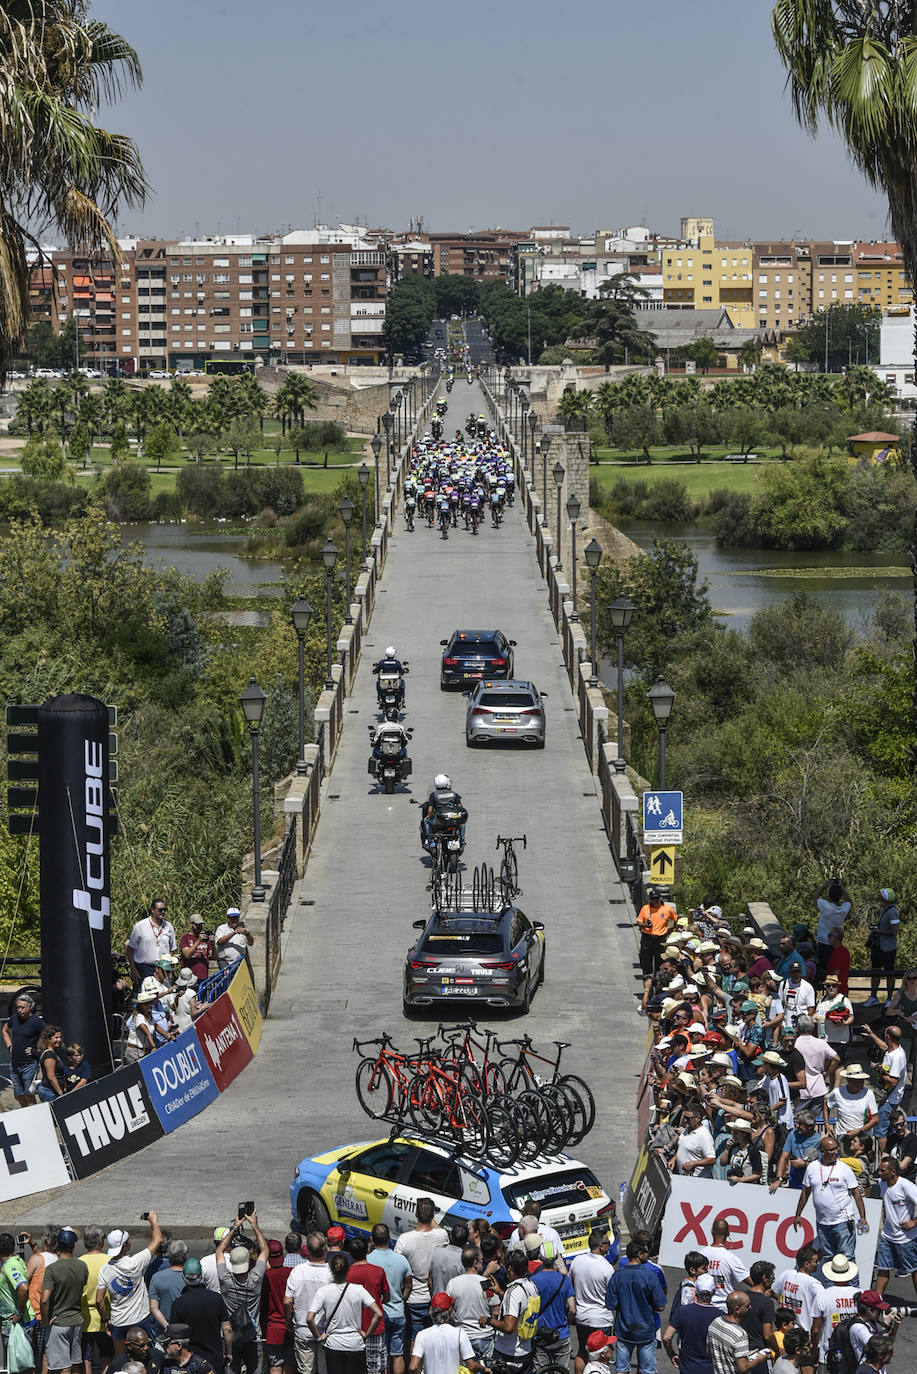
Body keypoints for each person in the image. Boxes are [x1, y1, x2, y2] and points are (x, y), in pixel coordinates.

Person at [793, 1134, 867, 1268]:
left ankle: (852, 1288)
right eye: (831, 1150)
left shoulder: (844, 1168)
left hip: (843, 1222)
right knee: (828, 1259)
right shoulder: (812, 1168)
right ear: (822, 1151)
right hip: (822, 1223)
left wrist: (863, 1217)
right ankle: (830, 1288)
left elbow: (856, 1194)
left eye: (836, 1148)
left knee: (847, 1259)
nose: (835, 1152)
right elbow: (805, 1192)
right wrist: (798, 1214)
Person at [307, 1252, 383, 1374]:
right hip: (355, 1344)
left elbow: (310, 1318)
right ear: (348, 1269)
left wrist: (319, 1337)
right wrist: (366, 1334)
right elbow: (378, 1314)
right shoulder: (358, 1290)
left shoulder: (324, 1291)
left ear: (331, 1269)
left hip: (333, 1345)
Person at [97, 1216, 163, 1353]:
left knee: (121, 1359)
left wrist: (105, 1319)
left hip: (118, 1322)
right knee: (144, 1356)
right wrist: (153, 1221)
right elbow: (158, 1240)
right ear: (125, 1246)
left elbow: (99, 1300)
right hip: (140, 1319)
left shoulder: (104, 1270)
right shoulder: (135, 1262)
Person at [216, 1213, 268, 1374]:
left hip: (231, 1336)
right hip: (253, 1336)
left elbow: (219, 1251)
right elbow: (264, 1249)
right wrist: (255, 1226)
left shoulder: (225, 1280)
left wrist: (234, 1228)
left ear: (231, 1262)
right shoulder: (256, 1278)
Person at [605, 1240, 666, 1374]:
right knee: (647, 1370)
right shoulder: (649, 1276)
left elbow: (610, 1304)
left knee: (621, 1369)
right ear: (639, 1254)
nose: (648, 1256)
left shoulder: (617, 1275)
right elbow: (661, 1306)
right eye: (646, 1253)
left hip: (623, 1330)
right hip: (646, 1331)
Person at [394, 1199, 448, 1348]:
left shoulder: (404, 1239)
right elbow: (439, 1230)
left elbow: (398, 1268)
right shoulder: (442, 1235)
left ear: (416, 1214)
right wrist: (430, 1217)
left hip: (413, 1299)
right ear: (432, 1216)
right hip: (435, 1297)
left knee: (415, 1338)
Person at [170, 1260, 232, 1374]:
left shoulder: (178, 1304)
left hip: (191, 1361)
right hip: (215, 1359)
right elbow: (227, 1329)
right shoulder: (216, 1298)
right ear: (201, 1276)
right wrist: (229, 1352)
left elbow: (175, 1335)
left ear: (183, 1276)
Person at [42, 1230, 89, 1374]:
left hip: (59, 1323)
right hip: (76, 1321)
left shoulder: (51, 1269)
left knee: (64, 1366)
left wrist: (45, 1321)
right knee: (76, 1363)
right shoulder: (82, 1266)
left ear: (58, 1246)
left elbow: (44, 1300)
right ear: (74, 1245)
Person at [284, 1232, 331, 1374]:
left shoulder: (297, 1271)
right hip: (326, 1331)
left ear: (308, 1250)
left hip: (302, 1329)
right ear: (325, 1249)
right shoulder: (331, 1273)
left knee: (306, 1371)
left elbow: (287, 1301)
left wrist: (288, 1320)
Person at [366, 1225, 411, 1374]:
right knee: (397, 1354)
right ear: (389, 1238)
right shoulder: (402, 1260)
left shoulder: (368, 1259)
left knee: (382, 1355)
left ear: (372, 1239)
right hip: (398, 1312)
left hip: (378, 1316)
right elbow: (409, 1285)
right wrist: (401, 1300)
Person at [569, 1231, 615, 1374]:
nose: (609, 1246)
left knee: (582, 1351)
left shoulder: (577, 1261)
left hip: (582, 1317)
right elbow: (612, 1294)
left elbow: (571, 1283)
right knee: (600, 1356)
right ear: (601, 1246)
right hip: (601, 1319)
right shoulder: (607, 1268)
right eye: (608, 1244)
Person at [874, 1154, 917, 1297]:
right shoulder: (882, 1183)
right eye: (879, 1170)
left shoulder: (906, 1186)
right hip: (887, 1236)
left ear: (893, 1172)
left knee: (914, 1270)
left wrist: (914, 1222)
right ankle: (876, 1303)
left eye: (882, 1170)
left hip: (907, 1239)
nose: (879, 1173)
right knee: (882, 1269)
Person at [488, 1249, 538, 1371]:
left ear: (510, 1268)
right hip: (525, 1349)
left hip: (509, 1352)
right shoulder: (531, 1286)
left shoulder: (513, 1292)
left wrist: (489, 1320)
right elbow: (521, 1305)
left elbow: (509, 1327)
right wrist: (500, 1292)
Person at [860, 1023, 908, 1150]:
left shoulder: (897, 1057)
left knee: (880, 1132)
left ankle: (884, 1158)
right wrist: (871, 1034)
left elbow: (893, 1082)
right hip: (887, 1098)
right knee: (886, 1129)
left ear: (888, 1036)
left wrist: (877, 1068)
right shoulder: (893, 1050)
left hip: (888, 1100)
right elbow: (884, 1047)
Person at [445, 1247, 494, 1368]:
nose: (483, 1263)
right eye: (481, 1260)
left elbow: (448, 1311)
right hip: (485, 1336)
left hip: (462, 1336)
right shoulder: (485, 1283)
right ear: (476, 1263)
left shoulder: (453, 1283)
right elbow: (495, 1310)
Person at [408, 1292, 480, 1374]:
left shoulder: (422, 1335)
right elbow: (471, 1365)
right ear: (450, 1312)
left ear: (431, 1312)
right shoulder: (460, 1333)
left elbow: (413, 1367)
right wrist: (484, 1369)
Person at [529, 1242, 574, 1373]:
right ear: (555, 1258)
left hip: (540, 1334)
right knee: (563, 1370)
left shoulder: (533, 1280)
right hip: (561, 1333)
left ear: (539, 1257)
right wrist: (567, 1322)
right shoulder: (564, 1280)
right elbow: (572, 1309)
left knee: (540, 1370)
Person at [346, 1236, 389, 1374]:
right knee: (376, 1368)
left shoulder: (345, 1274)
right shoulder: (378, 1271)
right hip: (374, 1327)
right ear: (367, 1251)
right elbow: (387, 1297)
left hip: (351, 1328)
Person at [662, 1272, 717, 1374]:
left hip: (687, 1367)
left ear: (695, 1291)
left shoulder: (683, 1311)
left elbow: (666, 1337)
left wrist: (672, 1354)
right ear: (714, 1291)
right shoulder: (720, 1316)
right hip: (711, 1368)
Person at [705, 1292, 769, 1374]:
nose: (750, 1307)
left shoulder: (715, 1322)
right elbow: (743, 1368)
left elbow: (709, 1351)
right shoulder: (740, 1334)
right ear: (737, 1309)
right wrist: (759, 1358)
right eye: (747, 1306)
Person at [2, 993, 45, 1105]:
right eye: (18, 1007)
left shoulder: (36, 1021)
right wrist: (9, 1045)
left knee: (29, 1093)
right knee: (18, 1094)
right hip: (15, 1063)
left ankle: (33, 1115)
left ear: (29, 1007)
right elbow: (5, 1030)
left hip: (29, 1064)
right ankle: (26, 1111)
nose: (19, 1010)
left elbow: (47, 1036)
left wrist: (36, 1051)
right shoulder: (14, 1018)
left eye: (22, 1007)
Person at [792, 1015, 839, 1118]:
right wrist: (826, 1072)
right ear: (812, 1027)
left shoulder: (795, 1044)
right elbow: (836, 1059)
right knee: (817, 1122)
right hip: (818, 1087)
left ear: (798, 1027)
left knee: (798, 1121)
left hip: (801, 1090)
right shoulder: (821, 1043)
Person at [774, 1247, 825, 1339]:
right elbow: (825, 1305)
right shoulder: (814, 1284)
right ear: (806, 1264)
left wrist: (783, 1300)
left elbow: (772, 1291)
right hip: (804, 1338)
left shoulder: (786, 1274)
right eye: (816, 1261)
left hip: (785, 1334)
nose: (818, 1263)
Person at [818, 1255, 859, 1367]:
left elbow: (816, 1330)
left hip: (828, 1353)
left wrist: (813, 1351)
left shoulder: (823, 1296)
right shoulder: (861, 1294)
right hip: (854, 1353)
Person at [79, 1226, 110, 1374]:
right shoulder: (109, 1261)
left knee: (86, 1358)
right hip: (107, 1316)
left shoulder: (79, 1262)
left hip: (85, 1317)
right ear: (100, 1242)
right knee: (106, 1356)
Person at [0, 1232, 32, 1374]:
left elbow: (23, 1288)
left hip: (16, 1324)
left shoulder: (9, 1266)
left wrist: (19, 1312)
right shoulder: (17, 1260)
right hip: (17, 1322)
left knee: (19, 1365)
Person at [699, 1222, 749, 1312]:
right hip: (723, 1308)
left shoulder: (701, 1254)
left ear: (712, 1231)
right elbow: (750, 1281)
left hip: (702, 1305)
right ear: (728, 1233)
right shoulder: (731, 1258)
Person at [261, 1241, 294, 1374]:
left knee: (275, 1364)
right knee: (290, 1362)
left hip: (272, 1328)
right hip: (290, 1326)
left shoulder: (265, 1276)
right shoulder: (291, 1273)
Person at [125, 900, 176, 985]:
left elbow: (171, 950)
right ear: (152, 909)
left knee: (164, 995)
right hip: (144, 969)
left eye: (164, 909)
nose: (163, 912)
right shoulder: (140, 926)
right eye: (160, 910)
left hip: (163, 968)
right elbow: (130, 949)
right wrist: (133, 969)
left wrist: (170, 971)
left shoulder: (168, 927)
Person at [770, 1109, 819, 1192]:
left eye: (800, 1124)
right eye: (796, 1123)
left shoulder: (819, 1140)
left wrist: (804, 1164)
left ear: (809, 1126)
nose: (797, 1126)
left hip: (812, 1179)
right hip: (795, 1178)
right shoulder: (793, 1134)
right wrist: (779, 1178)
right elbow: (783, 1157)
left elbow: (821, 1165)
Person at [637, 889, 678, 987]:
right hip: (647, 938)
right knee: (646, 961)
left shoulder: (667, 909)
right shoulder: (645, 908)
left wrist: (672, 932)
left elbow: (675, 920)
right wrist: (644, 924)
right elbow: (639, 921)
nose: (655, 901)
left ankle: (658, 983)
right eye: (653, 899)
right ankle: (648, 982)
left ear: (660, 898)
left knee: (660, 962)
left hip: (660, 939)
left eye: (656, 899)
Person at [827, 1065, 879, 1141]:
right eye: (858, 1080)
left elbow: (875, 1119)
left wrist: (858, 1131)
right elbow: (826, 1105)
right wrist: (827, 1124)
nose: (862, 1082)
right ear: (849, 1080)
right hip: (843, 1136)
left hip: (862, 1139)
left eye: (862, 1079)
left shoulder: (869, 1094)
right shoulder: (837, 1092)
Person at [866, 889, 900, 1005]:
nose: (878, 896)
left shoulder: (892, 912)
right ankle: (873, 997)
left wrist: (879, 931)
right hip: (879, 947)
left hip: (888, 948)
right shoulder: (884, 910)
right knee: (875, 971)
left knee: (889, 973)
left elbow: (895, 931)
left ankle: (889, 999)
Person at [814, 880, 851, 971]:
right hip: (836, 943)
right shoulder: (844, 909)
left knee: (823, 969)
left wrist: (825, 885)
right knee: (834, 969)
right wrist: (842, 888)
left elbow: (815, 896)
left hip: (823, 942)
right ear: (840, 896)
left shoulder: (826, 906)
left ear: (829, 896)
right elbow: (849, 901)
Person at [150, 1244, 189, 1330]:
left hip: (164, 1328)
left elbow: (153, 1308)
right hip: (188, 1326)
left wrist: (168, 1327)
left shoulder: (156, 1277)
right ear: (185, 1257)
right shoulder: (194, 1278)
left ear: (169, 1255)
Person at [671, 1104, 716, 1178]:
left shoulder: (704, 1136)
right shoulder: (687, 1129)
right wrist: (673, 1159)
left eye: (688, 1118)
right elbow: (683, 1146)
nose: (685, 1120)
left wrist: (693, 1163)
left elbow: (712, 1159)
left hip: (697, 1180)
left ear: (698, 1118)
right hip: (683, 1176)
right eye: (685, 1117)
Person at [421, 776, 465, 852]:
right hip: (452, 820)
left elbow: (430, 809)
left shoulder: (434, 795)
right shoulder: (453, 794)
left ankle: (431, 842)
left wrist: (429, 815)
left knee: (426, 820)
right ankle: (462, 841)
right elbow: (460, 807)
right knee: (462, 824)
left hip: (439, 821)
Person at [739, 1263, 775, 1352]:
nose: (773, 1279)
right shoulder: (767, 1302)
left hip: (740, 1348)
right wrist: (779, 1351)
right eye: (772, 1276)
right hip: (758, 1352)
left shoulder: (741, 1296)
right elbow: (768, 1335)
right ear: (764, 1278)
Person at [815, 975, 854, 1050]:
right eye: (828, 986)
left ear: (838, 987)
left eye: (834, 986)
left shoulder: (843, 1000)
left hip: (838, 1040)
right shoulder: (823, 999)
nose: (831, 988)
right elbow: (816, 1013)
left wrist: (844, 1023)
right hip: (823, 1040)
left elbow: (851, 1017)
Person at [429, 1226, 467, 1298]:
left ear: (451, 1237)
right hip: (452, 1304)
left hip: (435, 1301)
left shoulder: (435, 1252)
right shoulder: (464, 1260)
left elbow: (429, 1279)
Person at [122, 991, 158, 1063]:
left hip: (142, 1051)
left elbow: (157, 1027)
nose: (149, 1005)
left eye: (150, 1002)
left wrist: (169, 1036)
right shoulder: (139, 1016)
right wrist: (154, 1047)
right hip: (134, 1052)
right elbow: (146, 1032)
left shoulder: (149, 1017)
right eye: (147, 1003)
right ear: (141, 1005)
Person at [35, 1025, 68, 1101]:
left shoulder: (54, 1053)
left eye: (60, 1037)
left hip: (53, 1091)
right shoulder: (49, 1055)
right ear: (48, 1039)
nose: (59, 1040)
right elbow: (51, 1076)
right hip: (50, 1092)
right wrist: (60, 1092)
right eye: (56, 1037)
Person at [884, 1108, 917, 1181]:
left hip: (907, 1180)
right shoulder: (891, 1138)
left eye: (901, 1124)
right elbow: (883, 1159)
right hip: (892, 1178)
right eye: (895, 1126)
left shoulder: (913, 1139)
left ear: (905, 1122)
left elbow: (903, 1166)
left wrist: (889, 1164)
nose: (898, 1128)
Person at [179, 917, 214, 983]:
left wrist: (213, 944)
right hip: (189, 978)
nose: (199, 927)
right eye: (197, 924)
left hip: (203, 977)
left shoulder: (205, 938)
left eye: (201, 924)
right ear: (191, 924)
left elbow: (214, 956)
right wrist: (198, 940)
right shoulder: (185, 938)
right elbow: (187, 955)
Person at [826, 929, 851, 995]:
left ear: (836, 938)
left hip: (837, 991)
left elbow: (836, 972)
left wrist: (832, 990)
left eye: (830, 936)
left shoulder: (837, 952)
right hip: (843, 989)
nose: (828, 938)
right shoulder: (845, 950)